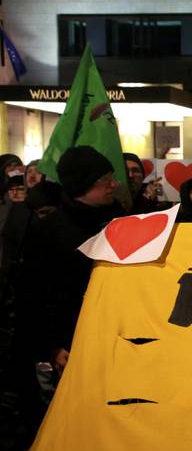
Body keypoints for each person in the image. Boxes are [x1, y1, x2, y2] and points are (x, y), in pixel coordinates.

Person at [22, 146, 124, 377]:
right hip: (72, 341)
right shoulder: (49, 230)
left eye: (112, 178)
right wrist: (52, 346)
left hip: (118, 336)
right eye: (105, 180)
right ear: (82, 186)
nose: (114, 184)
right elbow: (34, 294)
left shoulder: (121, 221)